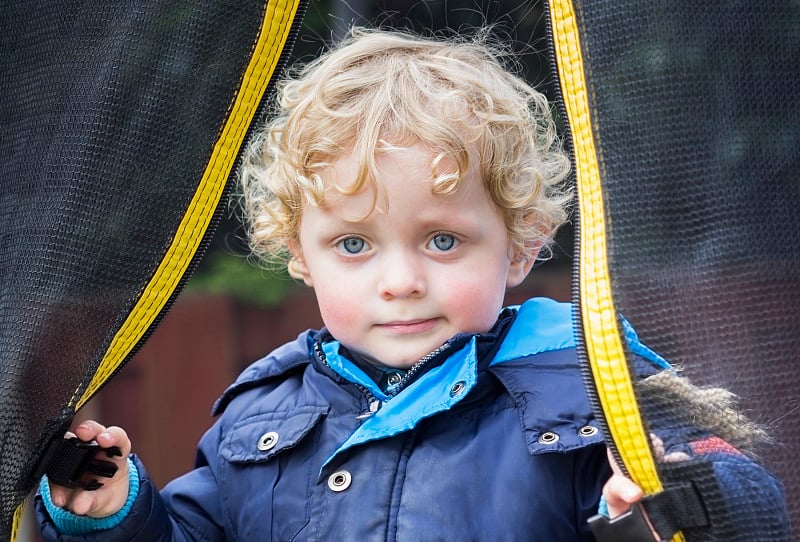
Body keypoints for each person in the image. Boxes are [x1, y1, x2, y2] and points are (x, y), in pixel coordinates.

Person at [36, 27, 788, 541]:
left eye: (442, 239)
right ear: (301, 253)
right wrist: (112, 510)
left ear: (522, 245)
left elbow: (746, 493)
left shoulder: (587, 382)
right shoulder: (259, 417)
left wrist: (675, 497)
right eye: (354, 243)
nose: (400, 281)